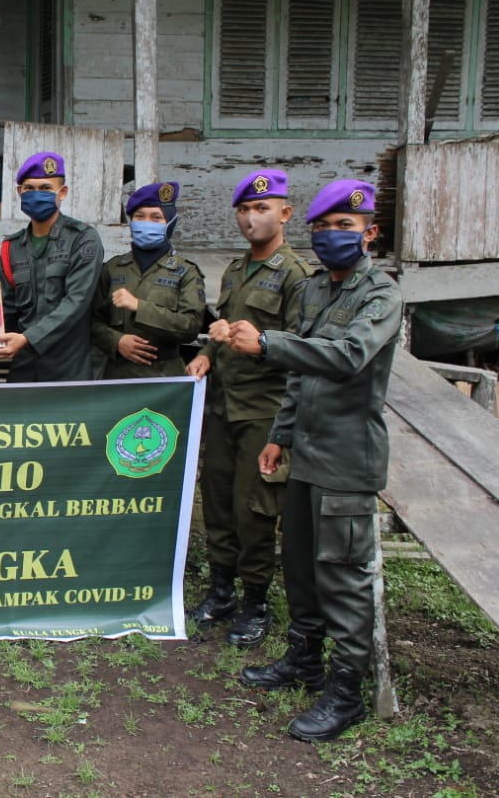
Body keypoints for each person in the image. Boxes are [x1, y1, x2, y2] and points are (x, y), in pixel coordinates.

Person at [223, 179, 403, 742]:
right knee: (299, 564)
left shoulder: (381, 295)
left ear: (369, 233)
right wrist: (280, 432)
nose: (331, 237)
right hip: (304, 450)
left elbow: (348, 357)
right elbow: (303, 373)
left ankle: (345, 691)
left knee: (343, 577)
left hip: (348, 458)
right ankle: (304, 659)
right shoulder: (318, 291)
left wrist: (268, 345)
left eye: (344, 227)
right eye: (322, 228)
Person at [185, 169, 313, 648]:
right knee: (217, 500)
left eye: (261, 209)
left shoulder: (297, 277)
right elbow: (223, 332)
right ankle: (220, 592)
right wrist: (206, 353)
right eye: (243, 210)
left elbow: (303, 347)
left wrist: (255, 344)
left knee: (254, 510)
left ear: (285, 214)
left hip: (264, 411)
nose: (250, 218)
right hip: (222, 407)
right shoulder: (237, 271)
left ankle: (254, 602)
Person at [0, 151, 104, 381]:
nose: (36, 194)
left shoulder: (82, 239)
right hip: (23, 366)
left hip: (68, 368)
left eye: (45, 188)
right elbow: (3, 307)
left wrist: (28, 338)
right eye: (29, 188)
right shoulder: (11, 247)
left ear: (62, 193)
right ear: (19, 192)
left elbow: (76, 302)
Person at [91, 181, 205, 379]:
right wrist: (117, 341)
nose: (146, 223)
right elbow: (93, 322)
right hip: (117, 376)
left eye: (156, 218)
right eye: (140, 217)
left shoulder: (185, 272)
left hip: (164, 378)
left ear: (169, 224)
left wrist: (139, 307)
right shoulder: (112, 268)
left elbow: (191, 327)